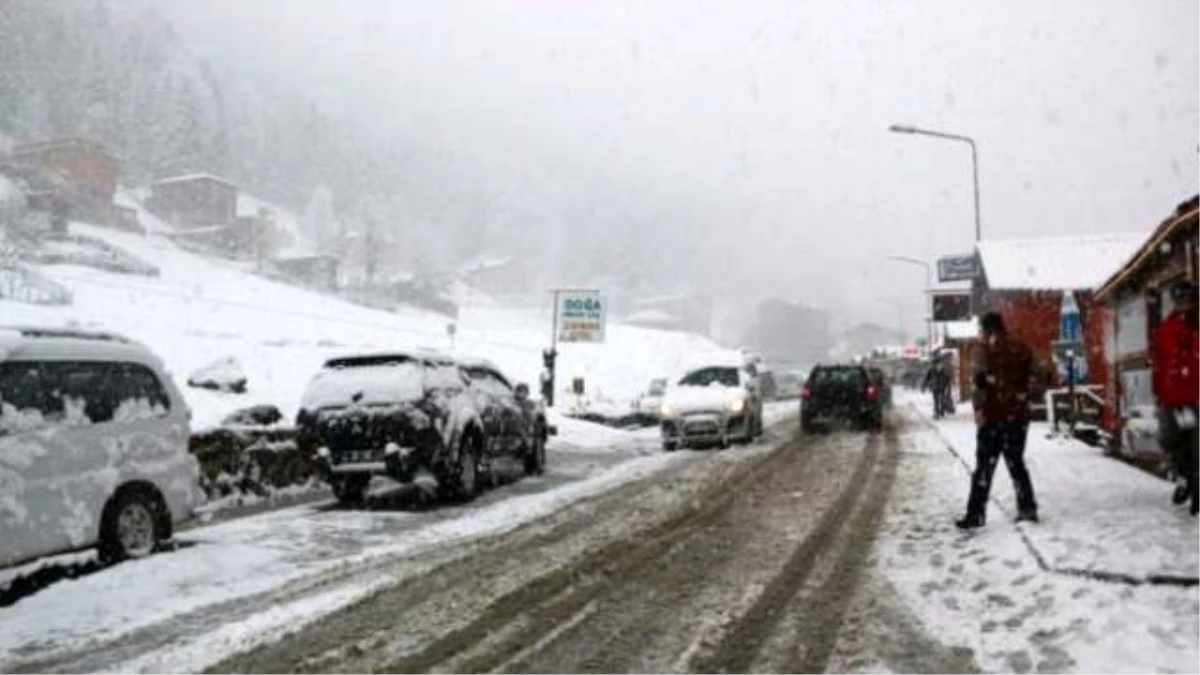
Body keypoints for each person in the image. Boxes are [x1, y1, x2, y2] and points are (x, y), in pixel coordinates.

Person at [957, 311, 1042, 529]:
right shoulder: (1021, 349)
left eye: (981, 330)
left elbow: (979, 382)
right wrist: (1024, 393)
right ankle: (1027, 508)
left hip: (993, 416)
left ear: (988, 330)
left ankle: (975, 514)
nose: (980, 334)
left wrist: (978, 408)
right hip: (1018, 416)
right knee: (1016, 464)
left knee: (984, 468)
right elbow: (1040, 375)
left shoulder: (983, 351)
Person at [1151, 279, 1200, 510]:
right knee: (1173, 442)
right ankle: (1184, 479)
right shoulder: (1167, 326)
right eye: (1179, 299)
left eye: (1187, 299)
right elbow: (1160, 361)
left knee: (1196, 444)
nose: (1183, 303)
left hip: (1196, 395)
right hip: (1174, 398)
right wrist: (1159, 390)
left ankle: (1196, 487)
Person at [922, 354, 953, 418]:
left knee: (937, 400)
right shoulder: (941, 369)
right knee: (940, 399)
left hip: (936, 386)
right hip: (940, 386)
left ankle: (938, 412)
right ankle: (940, 411)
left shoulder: (932, 369)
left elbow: (926, 378)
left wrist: (924, 386)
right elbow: (947, 378)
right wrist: (948, 385)